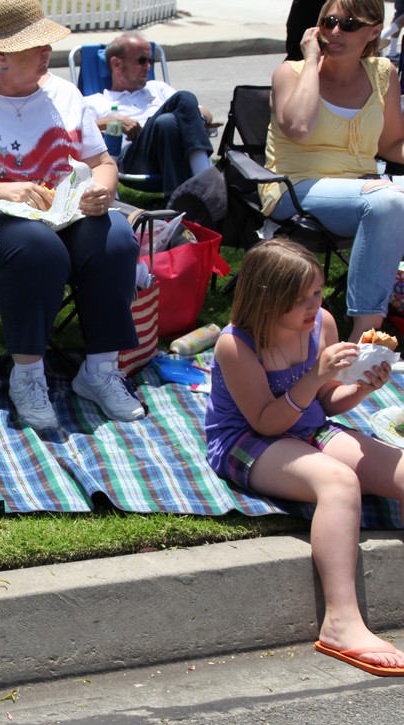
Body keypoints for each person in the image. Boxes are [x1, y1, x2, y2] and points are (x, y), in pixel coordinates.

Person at [0, 0, 144, 431]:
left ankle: (100, 370)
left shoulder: (64, 94)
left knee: (116, 236)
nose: (48, 52)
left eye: (46, 42)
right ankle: (27, 377)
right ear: (0, 54)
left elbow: (102, 162)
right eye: (35, 45)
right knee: (37, 247)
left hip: (66, 215)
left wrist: (101, 188)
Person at [204, 239, 404, 678]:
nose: (315, 305)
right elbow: (265, 422)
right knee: (338, 483)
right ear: (266, 299)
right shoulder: (235, 345)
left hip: (308, 427)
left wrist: (362, 387)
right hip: (249, 439)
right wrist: (315, 375)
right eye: (301, 299)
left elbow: (327, 402)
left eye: (317, 292)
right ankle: (340, 624)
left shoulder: (321, 324)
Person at [267, 0, 404, 343]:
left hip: (364, 188)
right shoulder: (291, 73)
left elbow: (391, 144)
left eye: (349, 24)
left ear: (374, 32)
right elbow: (299, 128)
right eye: (329, 22)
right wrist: (312, 61)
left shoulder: (383, 74)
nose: (335, 31)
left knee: (389, 201)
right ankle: (366, 336)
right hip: (294, 187)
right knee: (390, 202)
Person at [83, 33, 214, 199]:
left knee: (167, 122)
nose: (148, 66)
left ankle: (177, 201)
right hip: (134, 159)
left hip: (173, 150)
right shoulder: (96, 101)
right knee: (182, 99)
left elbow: (206, 113)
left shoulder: (158, 88)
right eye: (141, 60)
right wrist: (113, 121)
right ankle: (208, 183)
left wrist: (193, 120)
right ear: (117, 64)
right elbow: (77, 130)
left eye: (151, 60)